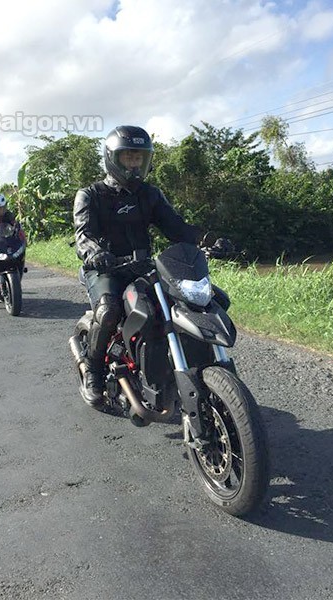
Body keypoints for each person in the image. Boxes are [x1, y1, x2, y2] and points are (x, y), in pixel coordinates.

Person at [73, 125, 202, 408]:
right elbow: (83, 235)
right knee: (108, 311)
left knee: (179, 306)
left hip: (144, 266)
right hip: (105, 269)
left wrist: (207, 240)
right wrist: (94, 252)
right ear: (112, 158)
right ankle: (94, 370)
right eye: (128, 157)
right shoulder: (91, 194)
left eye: (138, 158)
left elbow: (176, 227)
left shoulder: (150, 194)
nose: (133, 164)